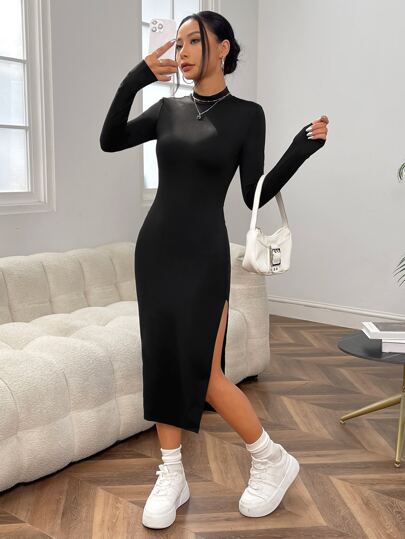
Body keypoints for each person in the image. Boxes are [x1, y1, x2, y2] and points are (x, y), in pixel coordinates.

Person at [100, 10, 328, 530]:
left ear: (222, 48)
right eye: (177, 42)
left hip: (204, 255)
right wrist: (137, 77)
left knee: (203, 373)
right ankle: (172, 473)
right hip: (155, 251)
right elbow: (109, 139)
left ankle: (271, 459)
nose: (181, 52)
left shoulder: (248, 116)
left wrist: (300, 151)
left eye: (192, 41)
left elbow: (253, 194)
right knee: (161, 361)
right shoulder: (167, 110)